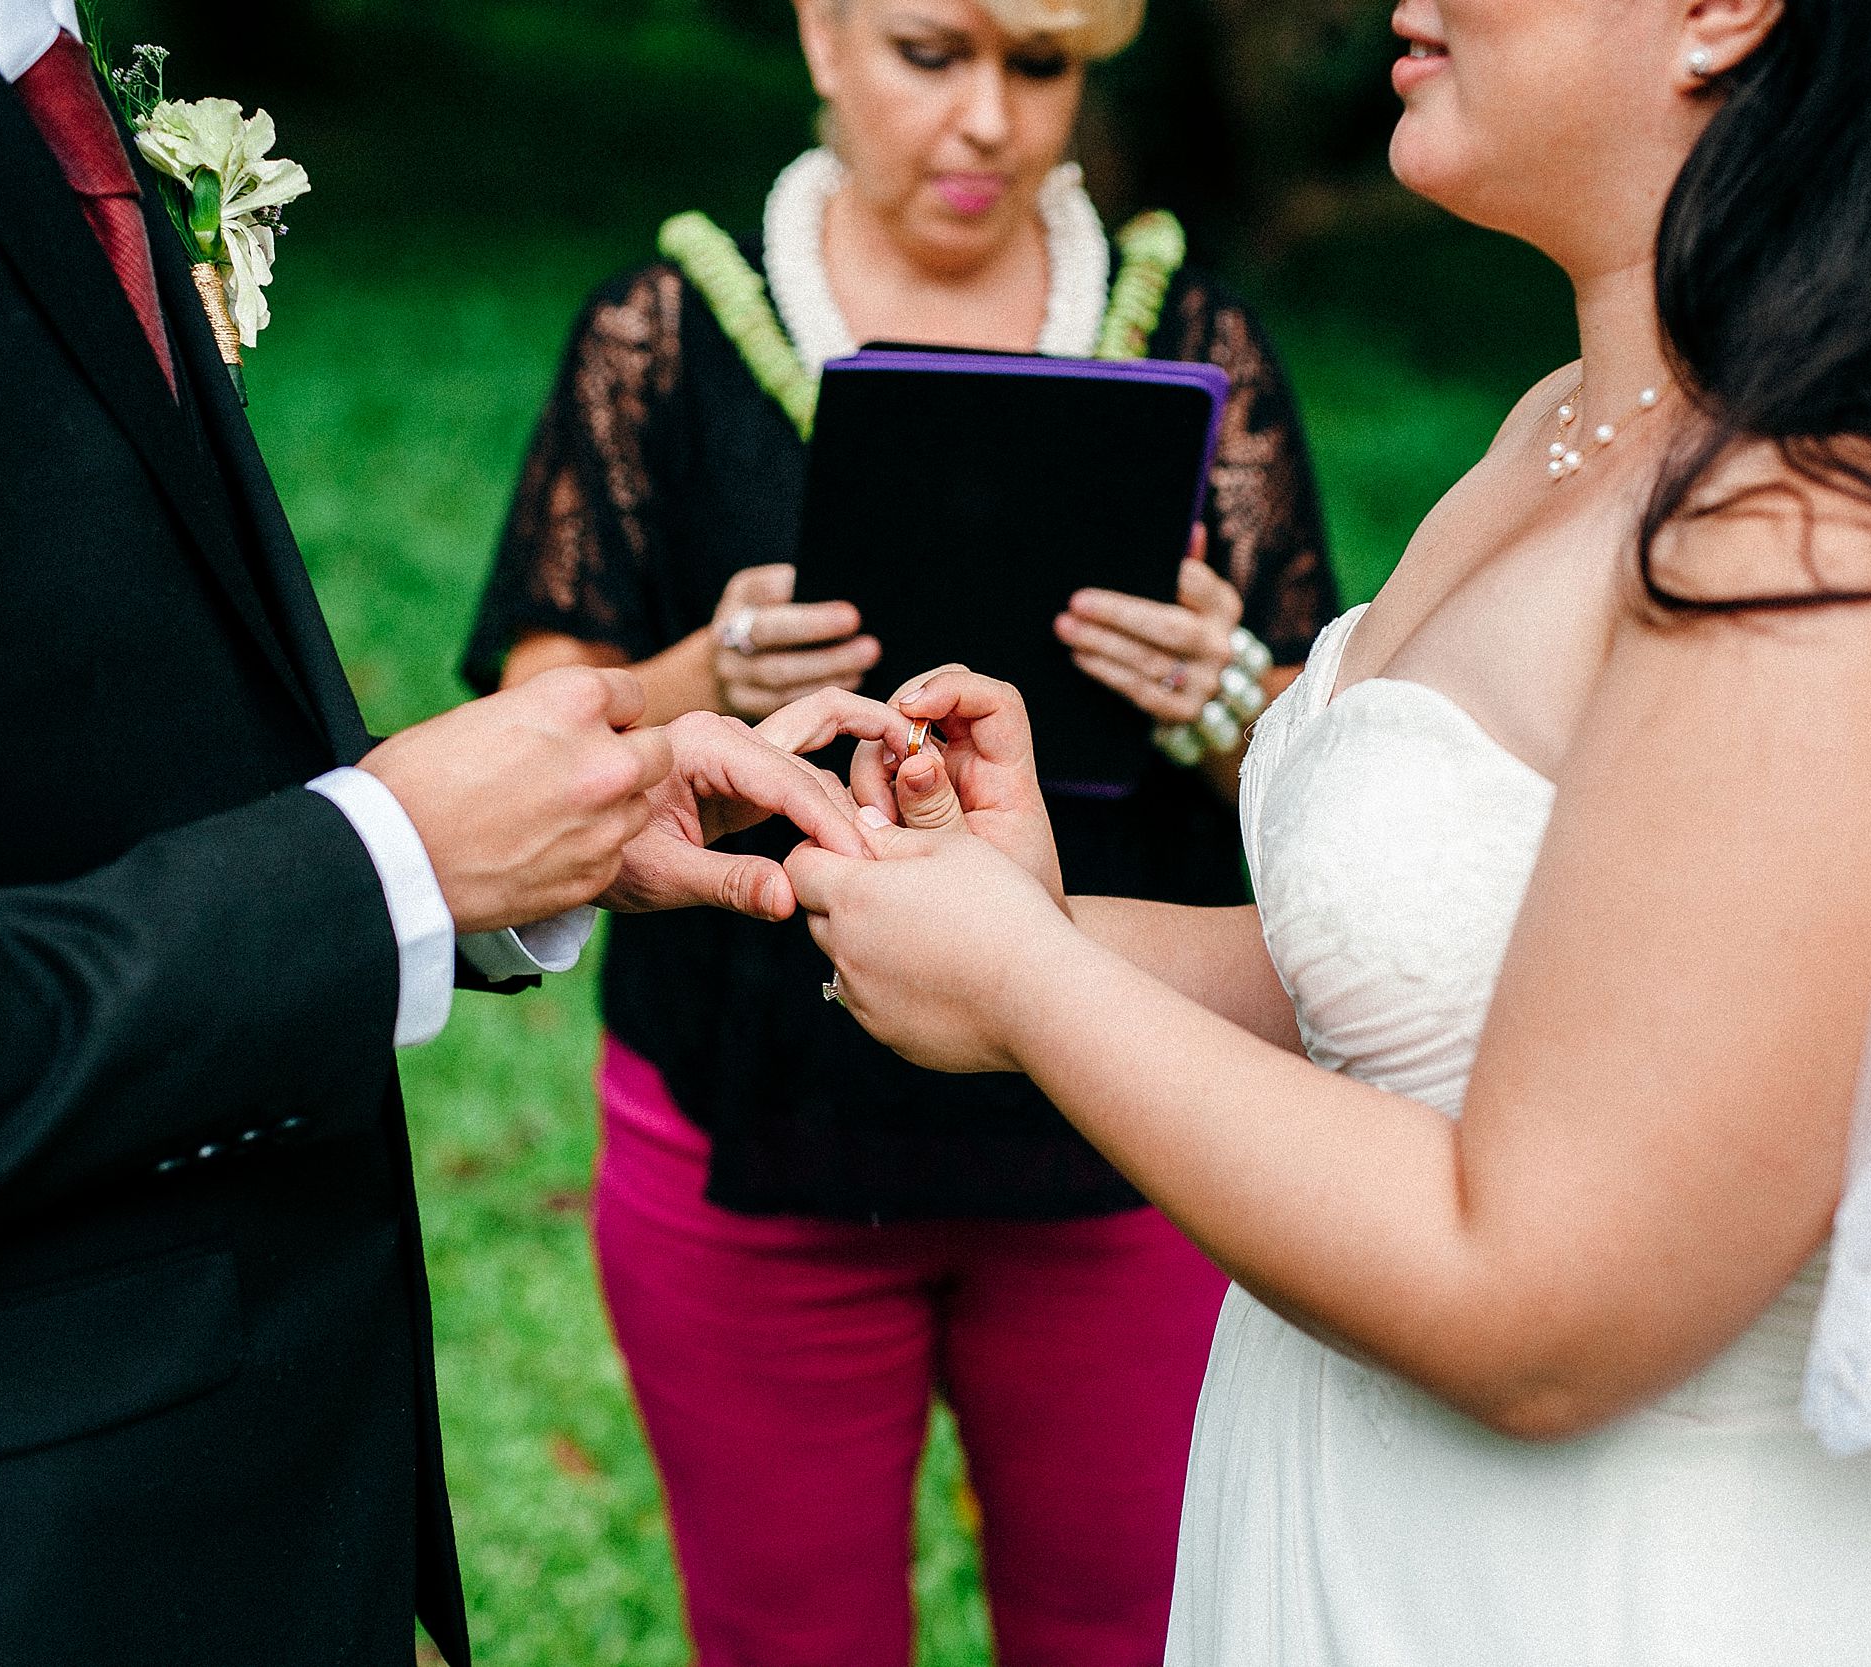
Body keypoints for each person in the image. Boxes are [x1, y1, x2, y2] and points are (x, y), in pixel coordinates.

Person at [783, 0, 1871, 1659]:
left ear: (1723, 12)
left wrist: (1029, 995)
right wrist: (1028, 914)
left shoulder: (1816, 546)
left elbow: (1542, 1311)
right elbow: (1428, 1003)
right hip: (1370, 1526)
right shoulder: (1569, 422)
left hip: (1645, 1585)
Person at [0, 2, 909, 1663]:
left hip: (229, 1526)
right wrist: (378, 871)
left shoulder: (26, 76)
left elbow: (50, 758)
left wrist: (527, 832)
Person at [460, 0, 1335, 1658]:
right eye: (935, 54)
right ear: (822, 34)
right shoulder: (665, 330)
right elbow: (538, 723)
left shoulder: (1196, 345)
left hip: (1127, 1126)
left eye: (1044, 65)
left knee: (1130, 1628)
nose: (991, 120)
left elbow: (1334, 789)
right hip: (748, 1119)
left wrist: (1223, 691)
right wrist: (704, 670)